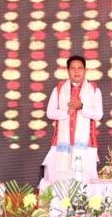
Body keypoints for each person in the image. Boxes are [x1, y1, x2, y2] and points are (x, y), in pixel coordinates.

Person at [41, 55, 103, 189]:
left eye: (80, 68)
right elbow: (50, 113)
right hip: (62, 145)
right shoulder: (59, 89)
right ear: (68, 71)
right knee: (61, 182)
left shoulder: (94, 89)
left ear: (85, 70)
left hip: (86, 144)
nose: (76, 71)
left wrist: (82, 107)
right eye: (73, 68)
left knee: (84, 183)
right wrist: (66, 112)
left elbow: (98, 115)